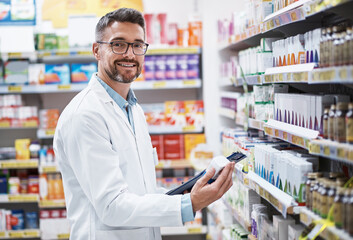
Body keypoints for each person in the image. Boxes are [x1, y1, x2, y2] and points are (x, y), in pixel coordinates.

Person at [53, 7, 235, 240]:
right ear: (97, 51)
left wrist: (185, 193)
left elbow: (140, 193)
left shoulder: (133, 109)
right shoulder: (84, 115)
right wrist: (188, 203)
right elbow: (112, 206)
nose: (130, 54)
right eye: (118, 44)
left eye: (138, 45)